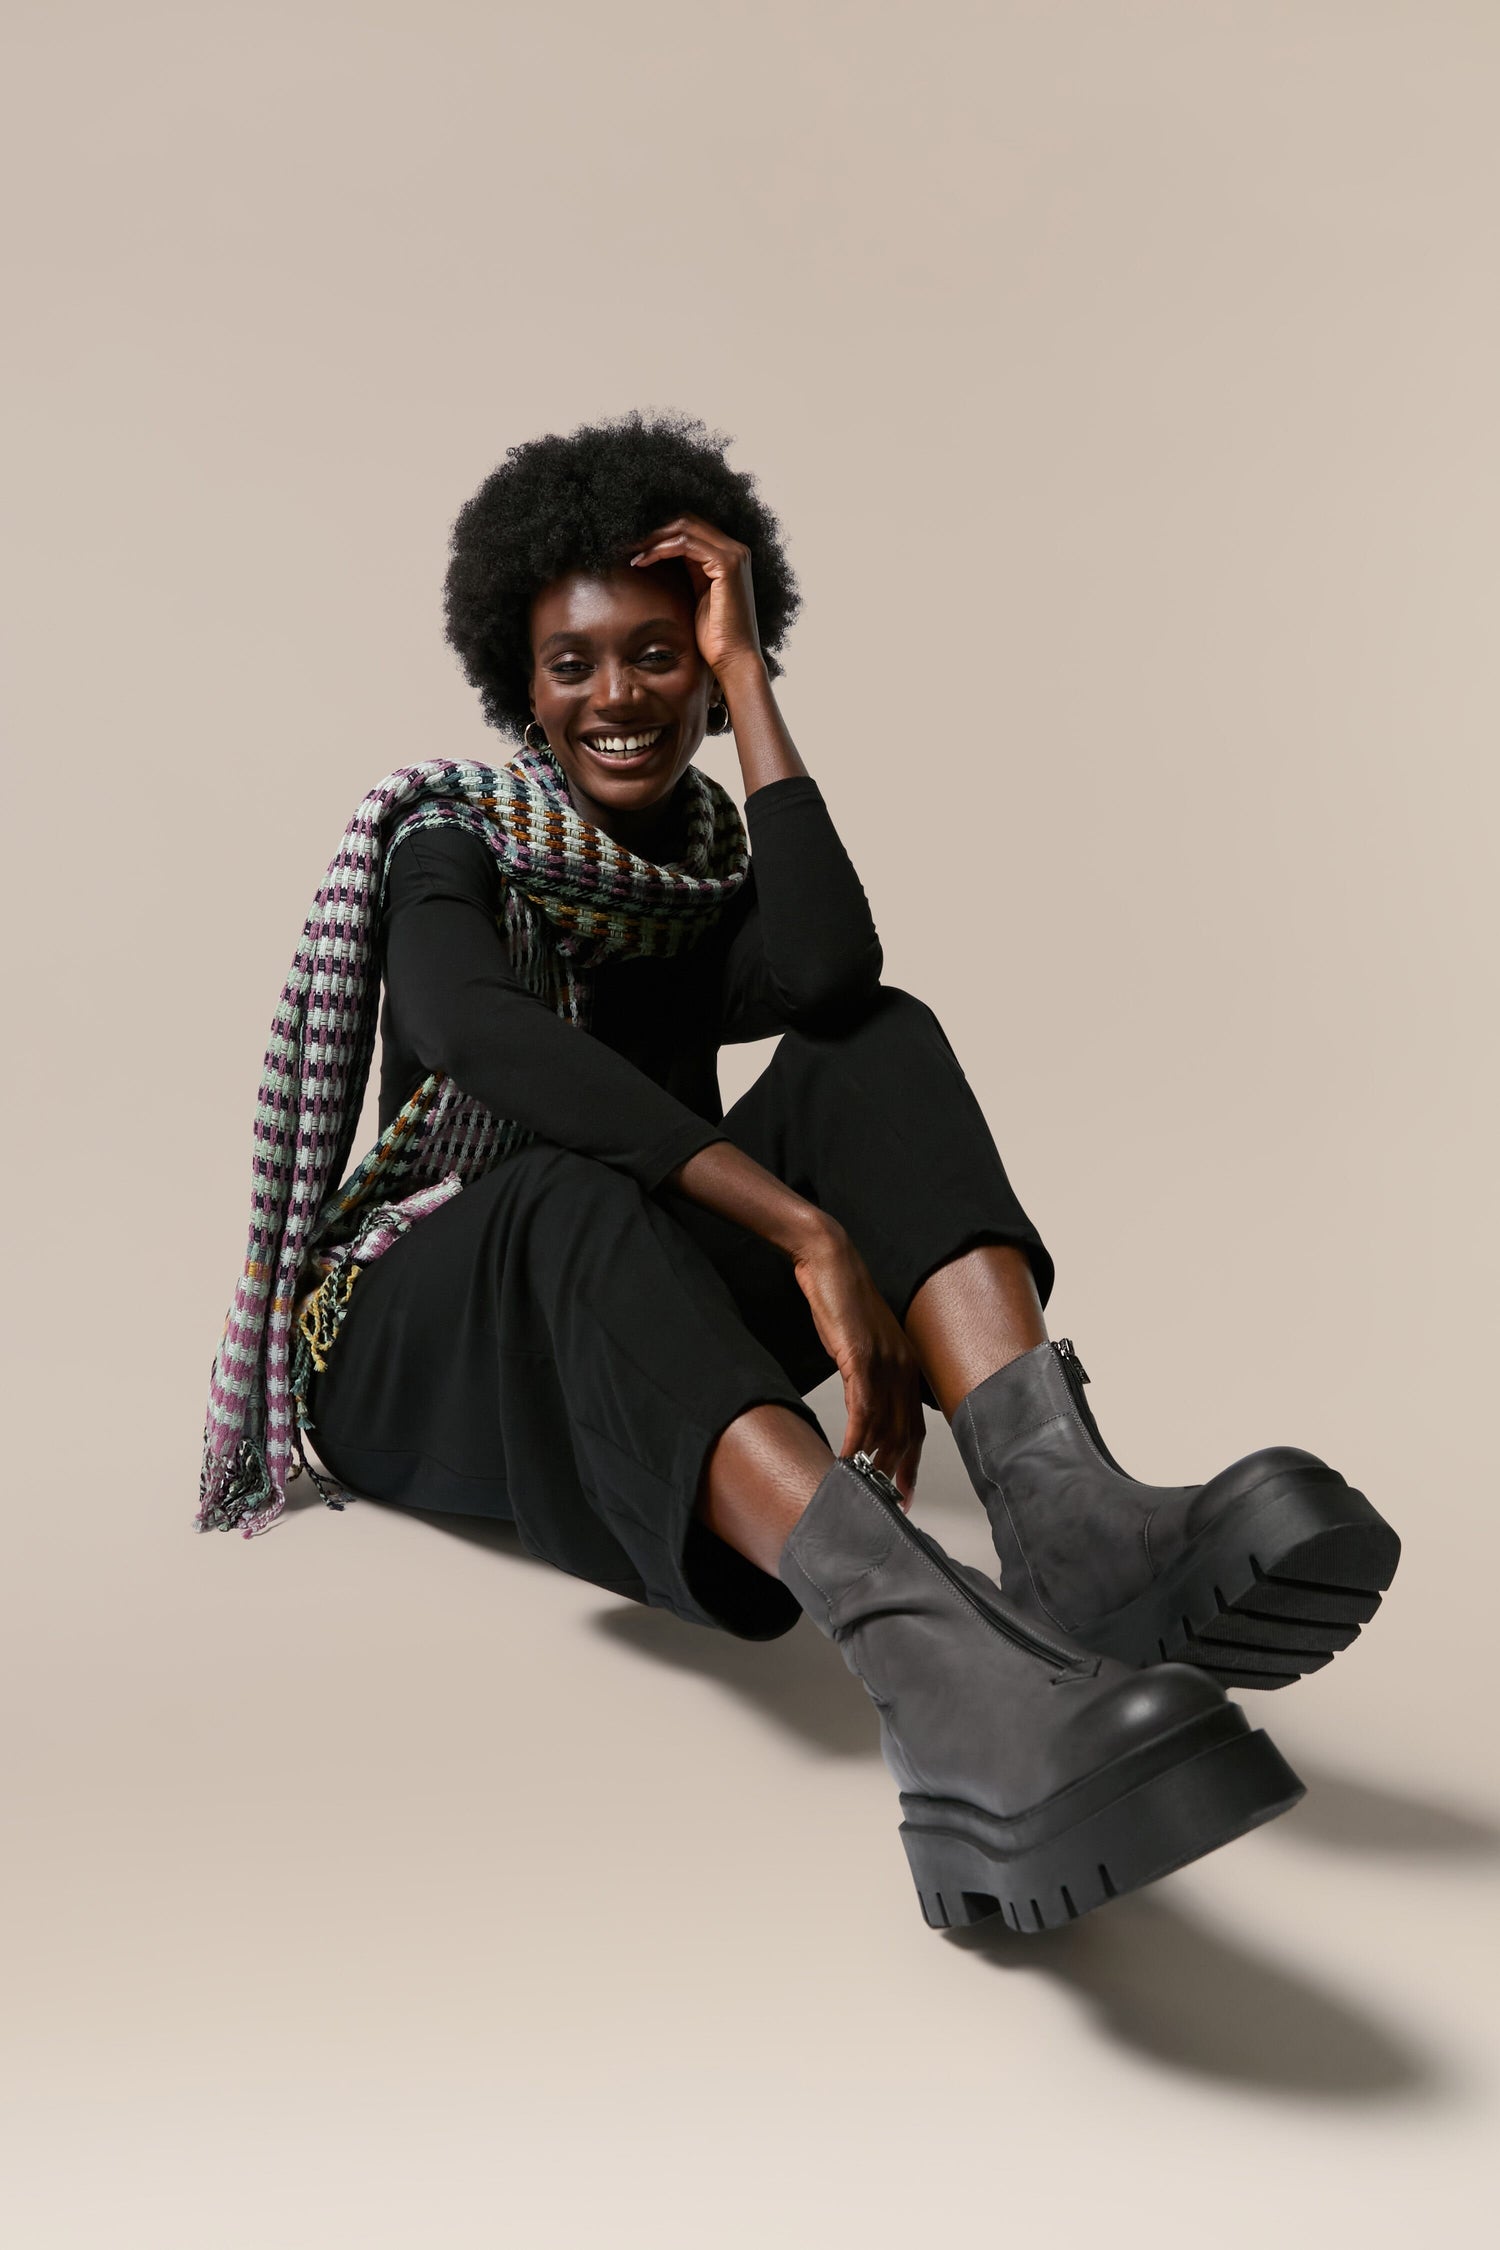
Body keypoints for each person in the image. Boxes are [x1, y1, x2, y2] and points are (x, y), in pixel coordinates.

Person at [205, 411, 1400, 1936]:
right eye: (572, 663)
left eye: (658, 652)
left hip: (622, 1313)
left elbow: (834, 965)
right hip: (419, 1337)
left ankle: (1074, 1527)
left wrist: (756, 681)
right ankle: (937, 1670)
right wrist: (799, 1229)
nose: (616, 696)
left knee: (877, 1043)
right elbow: (471, 1031)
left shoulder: (698, 855)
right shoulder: (451, 835)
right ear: (522, 681)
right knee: (570, 1185)